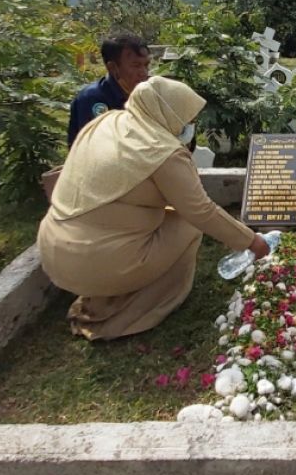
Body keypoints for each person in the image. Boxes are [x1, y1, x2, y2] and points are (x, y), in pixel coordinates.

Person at [39, 76, 272, 340]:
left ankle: (106, 297)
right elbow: (201, 212)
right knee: (187, 225)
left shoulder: (106, 122)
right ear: (168, 113)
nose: (190, 126)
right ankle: (133, 313)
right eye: (187, 119)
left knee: (166, 217)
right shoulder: (162, 151)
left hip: (54, 251)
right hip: (96, 262)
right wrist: (252, 242)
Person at [67, 34, 152, 146]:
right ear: (112, 68)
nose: (144, 72)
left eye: (146, 65)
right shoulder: (93, 99)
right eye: (136, 66)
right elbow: (97, 146)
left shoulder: (147, 94)